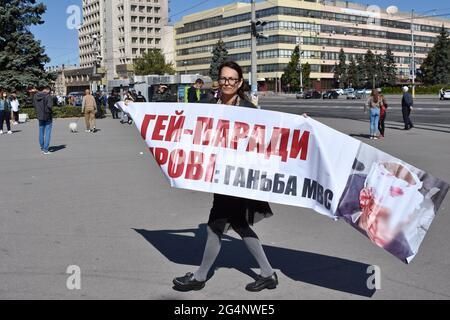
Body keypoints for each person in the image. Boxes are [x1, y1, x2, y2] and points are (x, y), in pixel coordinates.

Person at [173, 61, 278, 293]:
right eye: (223, 78)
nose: (227, 83)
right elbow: (181, 116)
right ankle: (268, 274)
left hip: (239, 178)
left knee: (215, 225)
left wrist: (300, 123)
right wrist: (134, 106)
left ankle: (199, 277)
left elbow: (269, 135)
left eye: (232, 79)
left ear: (239, 82)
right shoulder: (210, 104)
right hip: (218, 175)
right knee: (239, 224)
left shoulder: (248, 109)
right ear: (218, 81)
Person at [33, 86, 53, 154]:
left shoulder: (35, 96)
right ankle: (46, 149)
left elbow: (34, 105)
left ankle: (42, 147)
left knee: (41, 132)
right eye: (49, 91)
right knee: (47, 133)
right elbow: (50, 106)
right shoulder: (48, 96)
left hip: (39, 116)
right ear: (47, 90)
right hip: (47, 116)